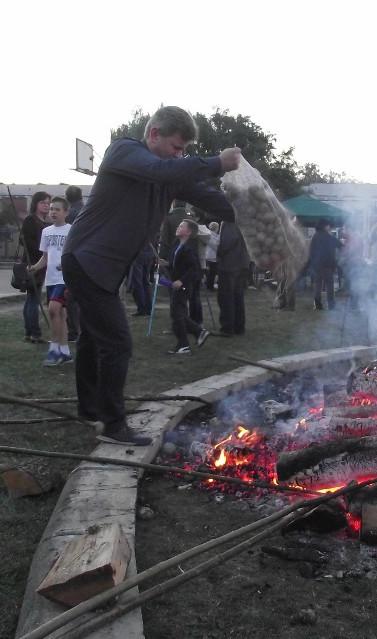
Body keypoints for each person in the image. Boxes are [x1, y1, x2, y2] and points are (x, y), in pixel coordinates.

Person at [60, 105, 241, 446]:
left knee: (92, 338)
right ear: (154, 134)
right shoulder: (124, 151)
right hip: (87, 260)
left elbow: (209, 197)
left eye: (184, 150)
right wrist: (217, 162)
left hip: (100, 266)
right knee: (116, 343)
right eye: (176, 147)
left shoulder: (166, 174)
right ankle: (113, 426)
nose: (180, 155)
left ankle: (89, 409)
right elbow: (160, 170)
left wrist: (252, 210)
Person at [27, 196, 73, 366]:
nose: (53, 211)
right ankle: (65, 351)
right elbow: (45, 257)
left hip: (66, 278)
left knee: (53, 309)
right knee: (60, 314)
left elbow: (76, 254)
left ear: (66, 212)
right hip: (51, 279)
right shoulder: (46, 232)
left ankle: (54, 351)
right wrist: (35, 267)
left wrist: (66, 264)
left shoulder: (72, 230)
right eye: (51, 209)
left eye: (57, 209)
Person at [158, 219, 210, 354]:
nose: (177, 227)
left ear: (188, 232)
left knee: (177, 315)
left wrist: (181, 281)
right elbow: (178, 263)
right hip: (176, 284)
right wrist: (167, 264)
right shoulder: (177, 244)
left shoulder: (190, 247)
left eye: (181, 226)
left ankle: (184, 345)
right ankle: (199, 332)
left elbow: (194, 268)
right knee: (178, 314)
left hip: (185, 285)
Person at [20, 191, 50, 344]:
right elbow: (24, 242)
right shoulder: (31, 220)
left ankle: (28, 332)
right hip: (33, 264)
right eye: (43, 202)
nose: (46, 205)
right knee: (33, 298)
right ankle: (35, 334)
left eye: (47, 203)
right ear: (35, 204)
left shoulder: (43, 222)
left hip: (40, 263)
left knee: (31, 298)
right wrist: (42, 253)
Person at [216, 220, 251, 335]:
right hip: (241, 263)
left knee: (226, 297)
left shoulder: (229, 222)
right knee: (237, 297)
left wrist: (219, 254)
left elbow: (228, 241)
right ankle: (239, 327)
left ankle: (227, 328)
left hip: (230, 264)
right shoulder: (243, 221)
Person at [308, 218, 342, 310]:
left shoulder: (314, 237)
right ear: (325, 226)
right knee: (329, 286)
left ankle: (317, 304)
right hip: (328, 265)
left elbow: (310, 251)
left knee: (317, 285)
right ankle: (331, 305)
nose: (329, 227)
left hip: (316, 265)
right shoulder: (329, 237)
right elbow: (340, 246)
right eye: (328, 226)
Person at [63, 186, 83, 340]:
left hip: (72, 257)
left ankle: (73, 331)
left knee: (71, 297)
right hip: (87, 257)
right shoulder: (87, 210)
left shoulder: (69, 216)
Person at [205, 221, 220, 291]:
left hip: (213, 256)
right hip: (211, 256)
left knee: (212, 272)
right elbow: (214, 245)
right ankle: (209, 286)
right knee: (211, 273)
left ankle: (210, 285)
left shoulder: (215, 235)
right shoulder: (210, 235)